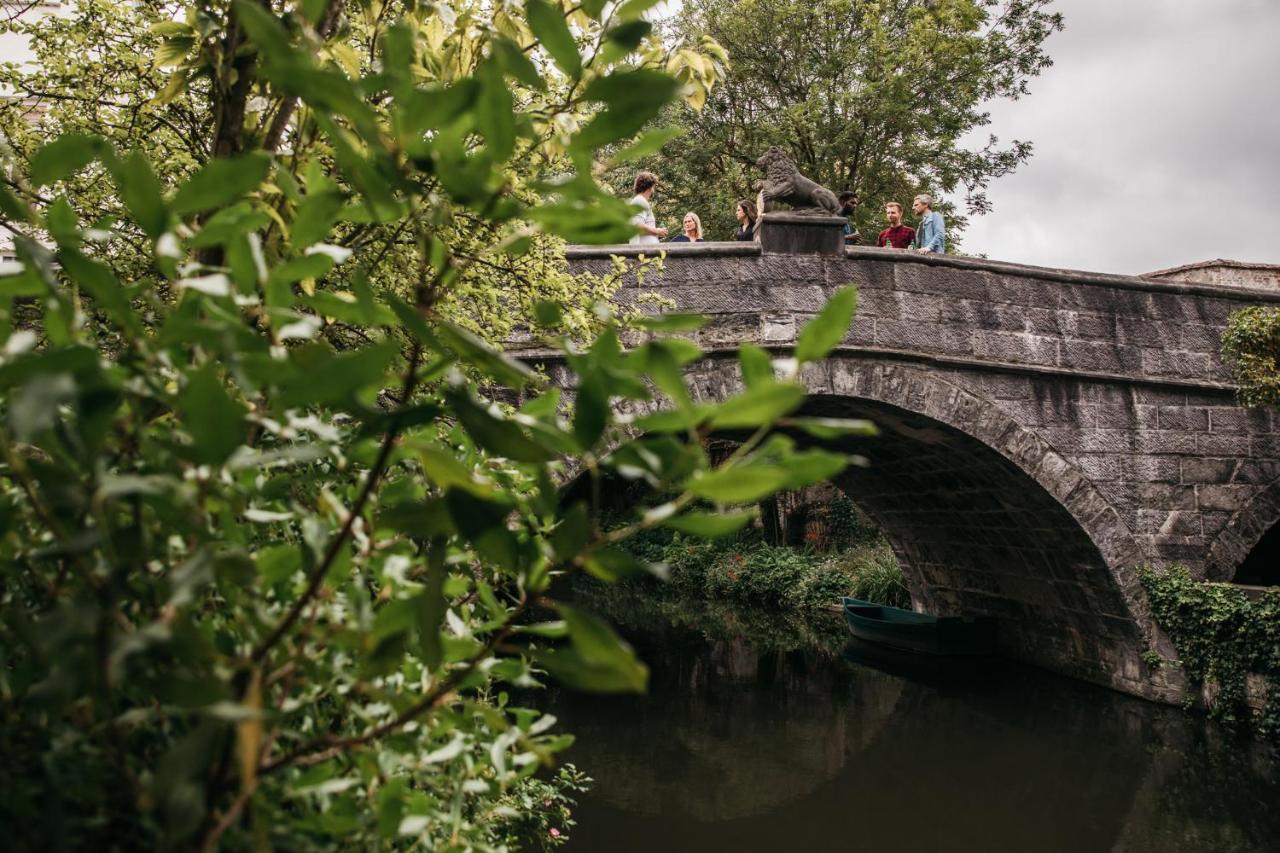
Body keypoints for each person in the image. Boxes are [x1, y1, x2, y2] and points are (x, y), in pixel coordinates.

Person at [628, 171, 667, 244]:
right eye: (654, 187)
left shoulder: (640, 201)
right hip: (644, 251)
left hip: (647, 250)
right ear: (650, 187)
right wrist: (657, 231)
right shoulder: (639, 201)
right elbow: (637, 225)